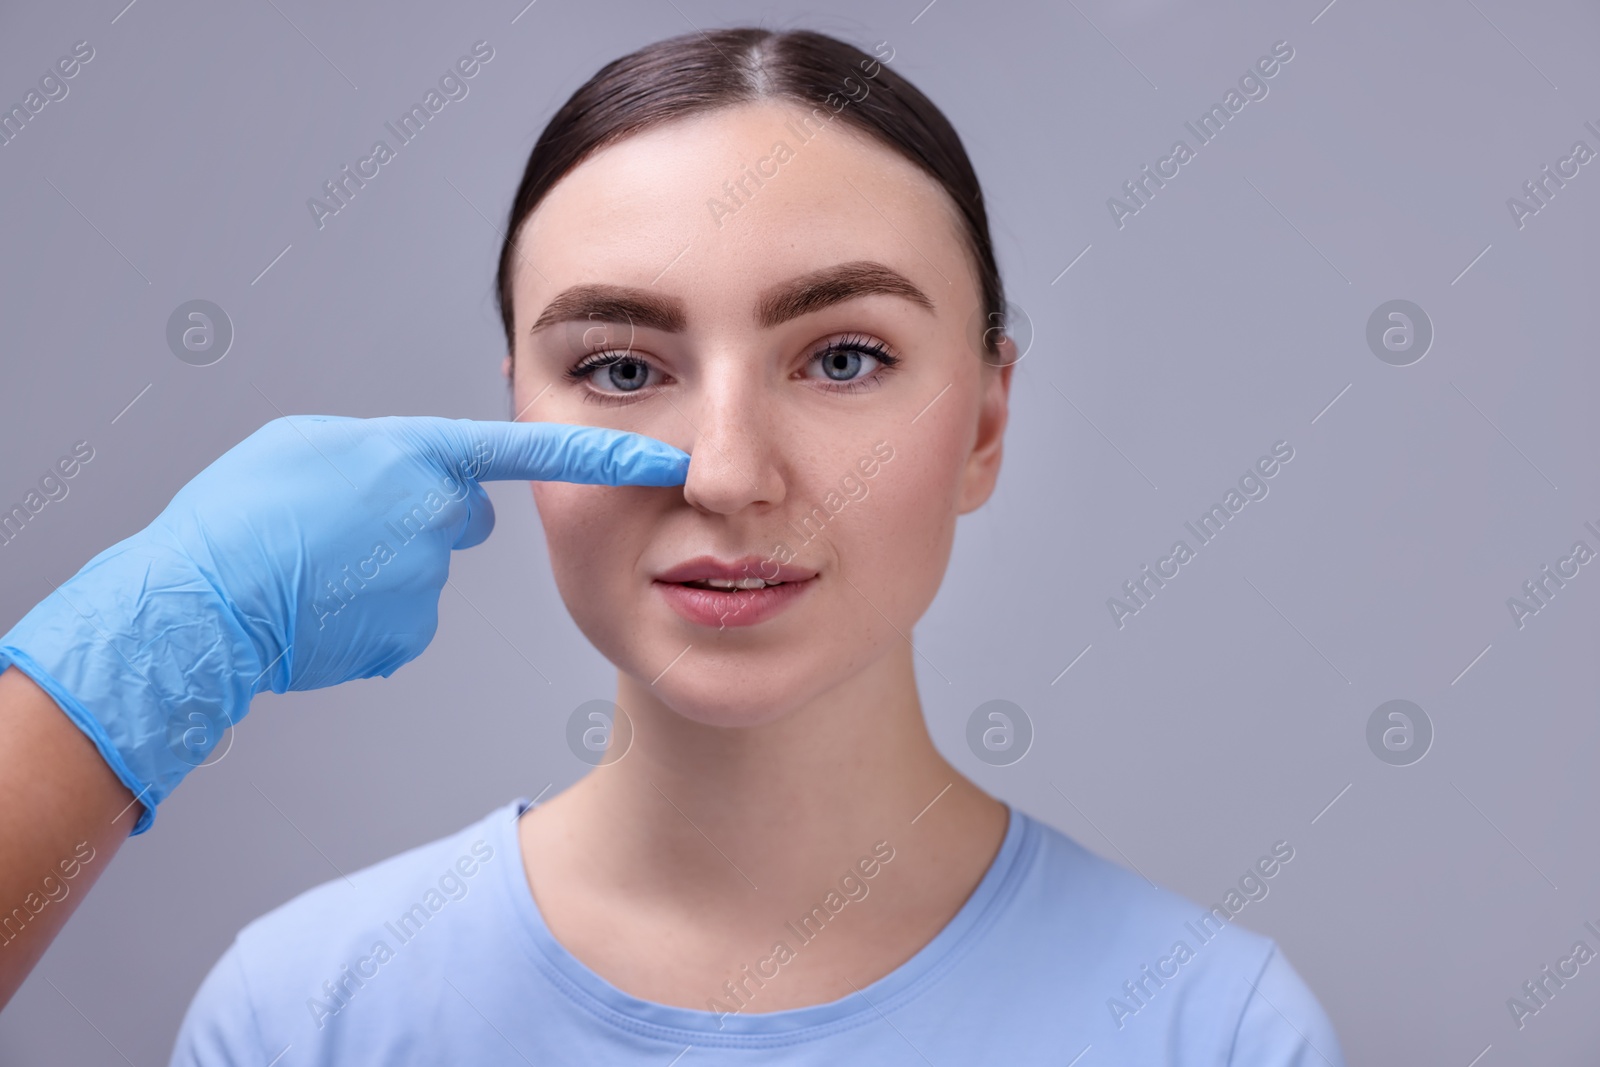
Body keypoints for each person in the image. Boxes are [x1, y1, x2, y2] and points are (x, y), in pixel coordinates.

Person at [0, 27, 1345, 1065]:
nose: (728, 473)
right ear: (515, 410)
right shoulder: (312, 1013)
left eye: (845, 356)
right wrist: (169, 640)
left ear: (986, 423)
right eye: (623, 369)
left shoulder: (1208, 1028)